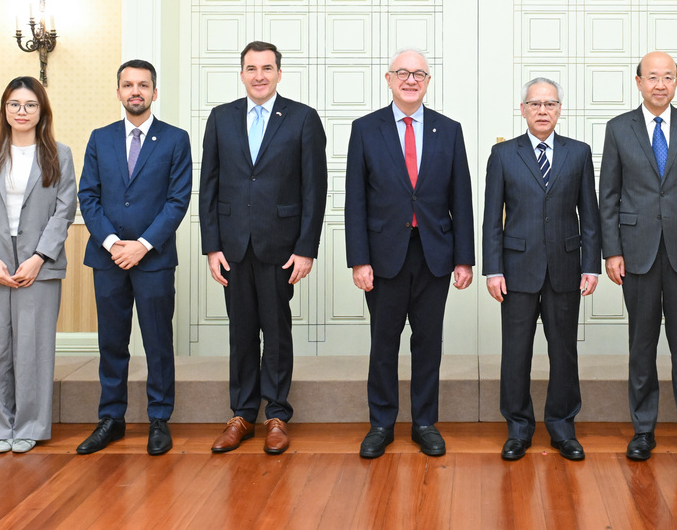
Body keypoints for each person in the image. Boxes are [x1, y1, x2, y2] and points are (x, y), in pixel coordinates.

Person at [345, 49, 475, 459]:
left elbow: (461, 197)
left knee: (428, 342)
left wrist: (464, 258)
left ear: (428, 81)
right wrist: (359, 259)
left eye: (419, 73)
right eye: (402, 72)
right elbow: (355, 200)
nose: (411, 80)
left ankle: (424, 423)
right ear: (388, 79)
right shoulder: (366, 129)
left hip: (435, 254)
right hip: (383, 256)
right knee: (384, 343)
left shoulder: (448, 130)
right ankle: (381, 423)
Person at [200, 41, 328, 454]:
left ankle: (276, 415)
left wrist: (306, 248)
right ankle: (241, 415)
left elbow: (314, 188)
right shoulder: (221, 118)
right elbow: (209, 186)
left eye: (267, 68)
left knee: (275, 332)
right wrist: (211, 246)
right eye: (252, 68)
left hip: (281, 246)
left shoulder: (303, 118)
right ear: (242, 74)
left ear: (278, 73)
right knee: (240, 332)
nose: (259, 75)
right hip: (232, 246)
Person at [598, 51, 677, 464]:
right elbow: (608, 196)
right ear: (638, 82)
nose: (660, 84)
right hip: (636, 252)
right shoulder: (618, 128)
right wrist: (612, 251)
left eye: (668, 77)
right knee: (642, 343)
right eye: (652, 77)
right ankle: (643, 430)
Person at [75, 60, 192, 456]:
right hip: (107, 259)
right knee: (112, 342)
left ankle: (159, 418)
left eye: (143, 85)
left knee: (158, 342)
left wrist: (142, 245)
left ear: (155, 92)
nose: (135, 91)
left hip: (154, 259)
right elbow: (88, 196)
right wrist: (112, 243)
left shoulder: (175, 139)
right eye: (128, 85)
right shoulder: (100, 138)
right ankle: (112, 419)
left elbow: (177, 200)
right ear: (119, 92)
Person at [483, 78, 601, 461]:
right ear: (523, 110)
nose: (543, 110)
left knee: (563, 352)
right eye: (535, 104)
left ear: (559, 110)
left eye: (550, 104)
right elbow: (491, 219)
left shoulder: (578, 153)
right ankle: (518, 429)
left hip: (566, 267)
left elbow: (590, 215)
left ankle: (562, 428)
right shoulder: (503, 155)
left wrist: (591, 265)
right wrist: (493, 269)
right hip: (516, 269)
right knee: (516, 352)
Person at [0, 76, 76, 455]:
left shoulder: (59, 155)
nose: (22, 111)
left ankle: (29, 426)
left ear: (42, 110)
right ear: (5, 109)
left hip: (38, 264)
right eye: (14, 104)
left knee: (32, 349)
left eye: (30, 105)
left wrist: (38, 258)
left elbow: (64, 211)